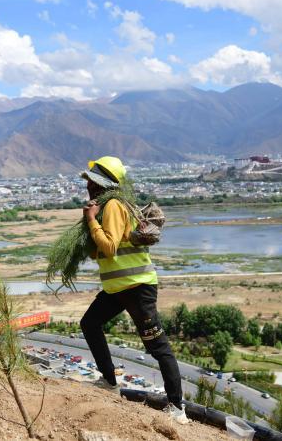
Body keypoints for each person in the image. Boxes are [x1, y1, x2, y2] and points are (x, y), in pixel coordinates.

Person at [79, 156, 190, 425]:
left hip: (137, 288)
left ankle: (177, 407)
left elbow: (110, 247)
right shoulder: (109, 207)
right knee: (90, 323)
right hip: (119, 288)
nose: (87, 187)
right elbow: (102, 252)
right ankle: (109, 381)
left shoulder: (114, 206)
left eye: (90, 182)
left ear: (99, 184)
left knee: (158, 347)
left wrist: (91, 220)